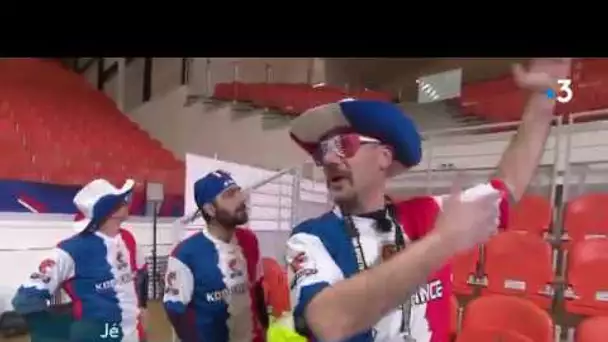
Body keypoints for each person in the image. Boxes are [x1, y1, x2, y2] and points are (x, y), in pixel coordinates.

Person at [285, 58, 572, 342]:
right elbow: (327, 322)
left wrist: (545, 96)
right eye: (323, 151)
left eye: (344, 145)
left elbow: (507, 185)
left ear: (384, 156)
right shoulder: (310, 238)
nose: (330, 159)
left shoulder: (427, 213)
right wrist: (441, 242)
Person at [11, 178, 149, 342]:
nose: (127, 202)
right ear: (109, 211)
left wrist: (142, 307)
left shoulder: (128, 239)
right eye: (121, 201)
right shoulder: (71, 250)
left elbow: (141, 273)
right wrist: (58, 333)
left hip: (134, 333)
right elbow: (26, 299)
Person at [163, 170, 268, 342]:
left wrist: (264, 328)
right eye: (230, 195)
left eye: (238, 191)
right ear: (210, 209)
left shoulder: (250, 240)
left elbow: (257, 288)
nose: (241, 198)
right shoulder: (185, 254)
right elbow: (175, 310)